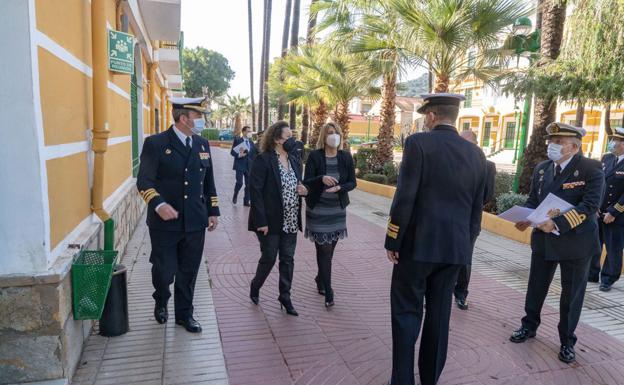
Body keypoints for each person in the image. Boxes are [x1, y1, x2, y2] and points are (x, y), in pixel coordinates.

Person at [384, 94, 486, 385]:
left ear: (431, 116)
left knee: (406, 313)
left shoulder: (418, 143)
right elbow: (475, 209)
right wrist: (465, 247)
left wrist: (393, 240)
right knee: (439, 318)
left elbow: (405, 197)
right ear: (454, 117)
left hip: (417, 247)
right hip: (454, 250)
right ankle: (430, 379)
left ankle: (402, 381)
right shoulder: (476, 154)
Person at [511, 122, 604, 364]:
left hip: (576, 243)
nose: (552, 145)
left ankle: (566, 341)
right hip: (543, 240)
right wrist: (526, 218)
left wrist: (557, 224)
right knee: (536, 287)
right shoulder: (542, 169)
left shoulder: (591, 168)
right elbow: (534, 200)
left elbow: (590, 206)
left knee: (571, 294)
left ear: (574, 146)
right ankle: (529, 326)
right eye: (551, 141)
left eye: (559, 142)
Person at [137, 96, 220, 333]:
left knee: (189, 270)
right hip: (165, 223)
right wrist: (158, 204)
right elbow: (144, 181)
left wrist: (213, 211)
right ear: (184, 118)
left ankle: (185, 315)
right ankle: (161, 299)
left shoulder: (202, 144)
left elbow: (209, 181)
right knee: (164, 271)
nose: (202, 121)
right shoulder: (156, 143)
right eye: (198, 117)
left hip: (195, 220)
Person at [248, 121, 308, 316]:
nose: (292, 140)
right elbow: (255, 192)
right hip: (270, 221)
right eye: (288, 137)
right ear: (276, 139)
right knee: (269, 257)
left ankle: (285, 296)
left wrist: (303, 190)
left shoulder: (295, 159)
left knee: (288, 260)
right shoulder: (263, 159)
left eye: (292, 136)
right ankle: (256, 285)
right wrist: (261, 221)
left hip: (291, 218)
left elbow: (300, 185)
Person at [303, 122, 356, 308]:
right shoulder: (315, 156)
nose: (334, 136)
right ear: (324, 137)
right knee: (324, 250)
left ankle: (320, 277)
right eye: (330, 133)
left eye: (337, 133)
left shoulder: (346, 157)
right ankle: (328, 290)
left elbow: (352, 182)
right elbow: (306, 181)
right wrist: (321, 178)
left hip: (337, 211)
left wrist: (340, 187)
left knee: (328, 251)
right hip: (317, 209)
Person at [454, 130, 497, 310]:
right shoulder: (451, 162)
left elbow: (487, 195)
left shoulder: (487, 166)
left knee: (465, 259)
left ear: (475, 144)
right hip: (447, 220)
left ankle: (461, 294)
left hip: (470, 221)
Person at [589, 127, 624, 291]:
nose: (611, 143)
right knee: (595, 244)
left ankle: (608, 278)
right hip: (599, 210)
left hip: (617, 214)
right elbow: (598, 183)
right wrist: (595, 206)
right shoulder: (606, 158)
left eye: (615, 141)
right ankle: (591, 274)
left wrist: (614, 212)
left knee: (613, 248)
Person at [230, 125, 257, 206]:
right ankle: (235, 194)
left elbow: (254, 155)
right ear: (244, 132)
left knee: (248, 185)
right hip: (240, 165)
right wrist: (238, 155)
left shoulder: (251, 142)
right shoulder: (238, 140)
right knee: (240, 182)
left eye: (250, 131)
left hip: (249, 166)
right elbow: (232, 152)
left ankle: (246, 201)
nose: (250, 133)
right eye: (248, 131)